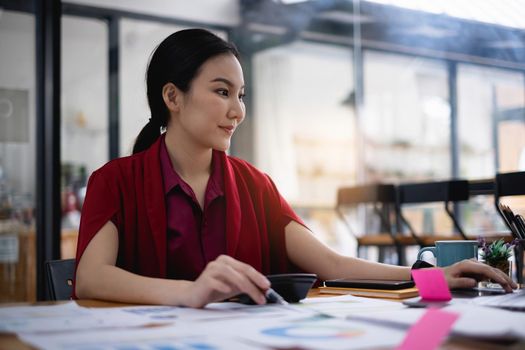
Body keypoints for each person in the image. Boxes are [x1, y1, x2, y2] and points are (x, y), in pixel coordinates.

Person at [74, 28, 516, 308]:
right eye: (222, 92)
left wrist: (431, 275)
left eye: (241, 95)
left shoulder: (255, 184)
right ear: (172, 97)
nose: (237, 110)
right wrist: (190, 293)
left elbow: (329, 262)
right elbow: (92, 279)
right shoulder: (115, 181)